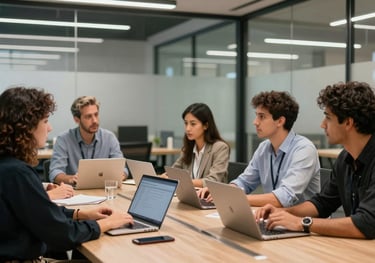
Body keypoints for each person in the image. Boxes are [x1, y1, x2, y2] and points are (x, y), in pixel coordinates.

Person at [0, 86, 134, 261]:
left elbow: (41, 212)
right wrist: (107, 223)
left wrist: (82, 214)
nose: (49, 128)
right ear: (26, 126)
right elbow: (63, 234)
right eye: (45, 120)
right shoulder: (18, 173)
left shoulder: (8, 166)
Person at [255, 81, 375, 239]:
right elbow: (322, 203)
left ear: (348, 122)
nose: (322, 124)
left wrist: (302, 223)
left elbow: (366, 223)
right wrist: (282, 213)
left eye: (328, 118)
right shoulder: (345, 159)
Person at [203, 91, 320, 207]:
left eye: (262, 117)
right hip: (273, 218)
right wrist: (224, 192)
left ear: (280, 121)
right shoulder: (264, 148)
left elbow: (285, 197)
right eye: (256, 115)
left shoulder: (304, 150)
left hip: (303, 222)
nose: (255, 122)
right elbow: (244, 182)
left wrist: (234, 198)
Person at [50, 96, 126, 185]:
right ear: (77, 119)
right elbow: (55, 172)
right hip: (75, 194)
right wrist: (71, 179)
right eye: (88, 116)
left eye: (96, 115)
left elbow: (122, 169)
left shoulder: (109, 137)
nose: (94, 121)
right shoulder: (64, 139)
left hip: (104, 190)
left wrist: (121, 175)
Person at [165, 103, 230, 188]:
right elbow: (174, 172)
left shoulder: (220, 148)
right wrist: (163, 177)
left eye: (193, 124)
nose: (188, 128)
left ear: (205, 126)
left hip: (211, 198)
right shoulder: (187, 148)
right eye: (186, 123)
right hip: (189, 196)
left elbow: (213, 181)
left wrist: (183, 181)